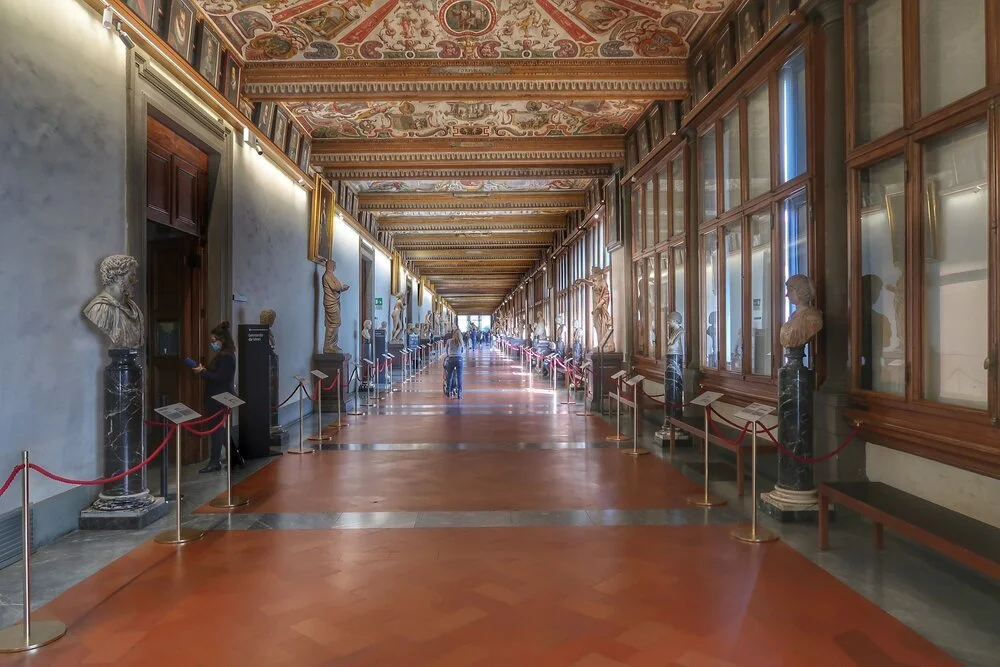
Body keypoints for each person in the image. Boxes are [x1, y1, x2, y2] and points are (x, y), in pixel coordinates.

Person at [193, 322, 244, 473]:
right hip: (218, 396)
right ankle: (235, 457)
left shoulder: (226, 357)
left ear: (223, 340)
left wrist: (202, 372)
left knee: (217, 430)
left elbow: (220, 377)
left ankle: (215, 461)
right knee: (219, 430)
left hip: (218, 397)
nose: (212, 344)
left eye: (214, 341)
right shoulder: (225, 355)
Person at [444, 328, 465, 398]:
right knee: (459, 377)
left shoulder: (449, 341)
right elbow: (462, 351)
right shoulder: (461, 341)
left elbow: (446, 349)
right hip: (459, 359)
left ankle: (448, 391)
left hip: (451, 359)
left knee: (449, 376)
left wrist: (448, 355)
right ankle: (459, 393)